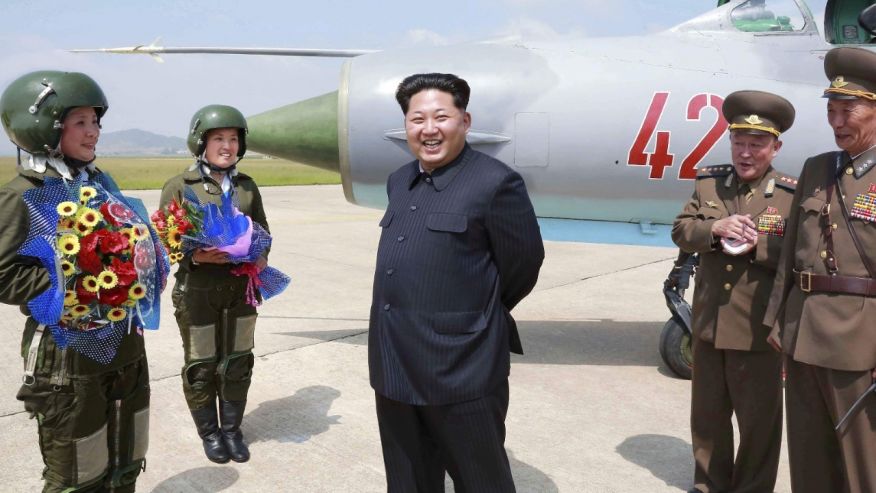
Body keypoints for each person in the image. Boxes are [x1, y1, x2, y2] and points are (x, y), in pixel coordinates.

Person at [368, 73, 544, 492]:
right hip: (394, 363)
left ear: (465, 121)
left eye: (441, 117)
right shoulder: (399, 180)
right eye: (417, 119)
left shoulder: (495, 183)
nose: (429, 129)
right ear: (406, 126)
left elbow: (523, 263)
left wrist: (473, 315)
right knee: (408, 479)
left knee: (481, 479)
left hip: (460, 367)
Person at [0, 71, 168, 492]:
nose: (93, 132)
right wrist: (75, 285)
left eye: (96, 122)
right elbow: (4, 274)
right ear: (45, 127)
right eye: (80, 122)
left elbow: (133, 240)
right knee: (79, 477)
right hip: (66, 359)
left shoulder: (101, 185)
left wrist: (147, 263)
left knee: (126, 461)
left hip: (125, 346)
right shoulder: (22, 195)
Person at [672, 90, 797, 493]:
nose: (746, 153)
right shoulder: (710, 184)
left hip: (757, 329)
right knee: (707, 418)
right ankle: (708, 485)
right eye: (739, 143)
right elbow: (682, 231)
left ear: (775, 147)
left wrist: (757, 244)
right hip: (709, 325)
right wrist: (715, 230)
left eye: (757, 145)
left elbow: (801, 254)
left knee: (759, 426)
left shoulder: (791, 195)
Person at [764, 46, 876, 493]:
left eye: (848, 110)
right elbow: (791, 254)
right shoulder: (817, 168)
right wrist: (776, 320)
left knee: (863, 465)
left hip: (861, 341)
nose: (837, 122)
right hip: (803, 332)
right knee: (809, 462)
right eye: (831, 111)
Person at [159, 104, 269, 464]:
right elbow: (165, 240)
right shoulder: (179, 186)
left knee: (238, 360)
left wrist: (260, 255)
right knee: (201, 364)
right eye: (219, 138)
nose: (227, 146)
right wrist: (196, 256)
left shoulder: (248, 187)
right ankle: (210, 433)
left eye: (233, 139)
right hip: (198, 291)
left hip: (240, 290)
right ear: (200, 142)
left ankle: (233, 431)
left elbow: (264, 232)